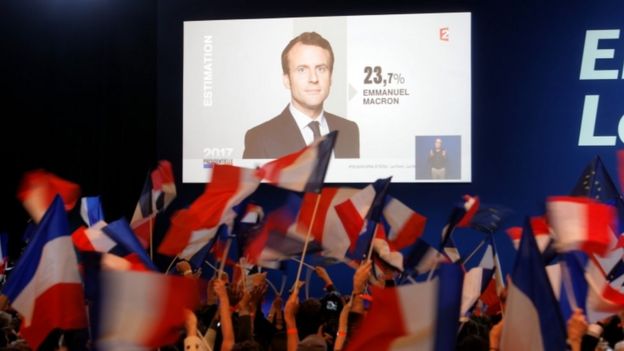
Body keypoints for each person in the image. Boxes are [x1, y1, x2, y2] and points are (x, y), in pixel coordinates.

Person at [243, 32, 359, 159]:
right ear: (287, 80)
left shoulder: (349, 130)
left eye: (321, 69)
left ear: (330, 78)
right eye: (302, 70)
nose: (313, 78)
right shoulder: (260, 138)